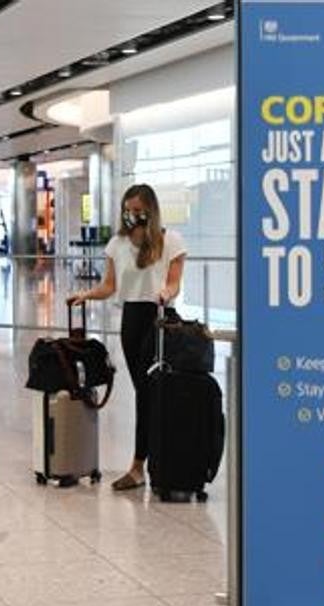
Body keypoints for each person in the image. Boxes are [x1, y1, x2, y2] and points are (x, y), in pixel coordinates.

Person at [67, 183, 187, 492]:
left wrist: (165, 292)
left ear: (151, 209)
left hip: (160, 318)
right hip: (132, 320)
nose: (132, 216)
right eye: (128, 210)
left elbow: (174, 284)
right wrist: (87, 294)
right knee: (143, 392)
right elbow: (110, 285)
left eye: (138, 211)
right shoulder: (117, 244)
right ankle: (144, 465)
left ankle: (140, 466)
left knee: (152, 393)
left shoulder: (170, 240)